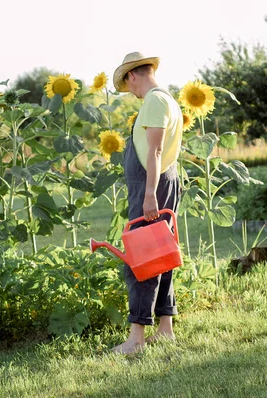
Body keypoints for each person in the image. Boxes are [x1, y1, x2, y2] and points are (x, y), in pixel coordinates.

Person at [112, 52, 183, 354]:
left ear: (132, 76)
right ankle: (165, 330)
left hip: (151, 186)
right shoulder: (167, 100)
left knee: (142, 260)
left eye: (127, 85)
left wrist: (149, 193)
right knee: (162, 256)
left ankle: (136, 339)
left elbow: (154, 151)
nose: (130, 91)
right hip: (163, 181)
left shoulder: (154, 101)